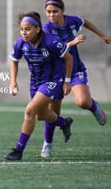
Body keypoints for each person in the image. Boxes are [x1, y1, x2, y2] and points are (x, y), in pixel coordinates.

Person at [40, 0, 111, 158]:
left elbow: (84, 21)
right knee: (53, 113)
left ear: (62, 11)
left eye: (55, 11)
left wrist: (102, 36)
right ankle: (48, 144)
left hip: (75, 70)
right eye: (48, 12)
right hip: (56, 74)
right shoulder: (46, 30)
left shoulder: (72, 21)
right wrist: (73, 43)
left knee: (83, 102)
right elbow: (55, 50)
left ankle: (94, 108)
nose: (51, 15)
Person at [4, 11, 74, 161]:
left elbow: (69, 58)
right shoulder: (20, 43)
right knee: (40, 115)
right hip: (35, 82)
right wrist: (12, 81)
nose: (24, 32)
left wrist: (67, 81)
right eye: (22, 29)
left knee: (29, 110)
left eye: (27, 29)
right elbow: (14, 61)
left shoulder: (51, 41)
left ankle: (18, 150)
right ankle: (64, 122)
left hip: (53, 80)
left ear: (37, 29)